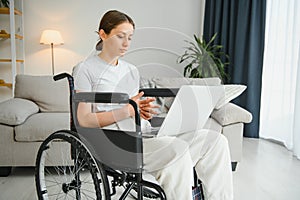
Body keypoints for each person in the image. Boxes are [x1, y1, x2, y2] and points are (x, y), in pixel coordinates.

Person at [73, 10, 233, 200]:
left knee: (215, 141)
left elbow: (134, 108)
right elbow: (83, 119)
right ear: (103, 34)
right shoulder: (85, 69)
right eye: (120, 36)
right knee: (177, 149)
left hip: (144, 134)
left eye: (130, 38)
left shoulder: (130, 70)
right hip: (115, 140)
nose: (126, 43)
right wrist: (128, 110)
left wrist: (142, 111)